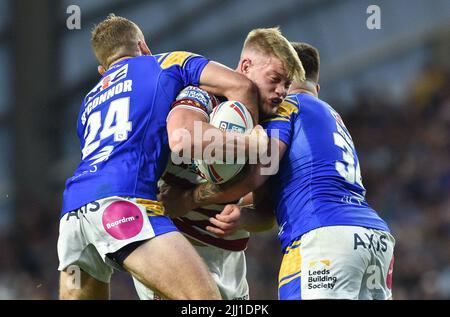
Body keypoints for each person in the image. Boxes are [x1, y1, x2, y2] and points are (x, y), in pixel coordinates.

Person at [57, 14, 265, 300]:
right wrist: (246, 148)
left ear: (102, 69)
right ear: (143, 47)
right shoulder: (167, 61)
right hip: (122, 203)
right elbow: (243, 86)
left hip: (72, 212)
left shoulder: (89, 102)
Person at [166, 42, 396, 300]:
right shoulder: (331, 116)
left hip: (322, 236)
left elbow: (257, 173)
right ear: (316, 88)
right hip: (374, 238)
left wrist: (190, 198)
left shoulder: (289, 106)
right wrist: (243, 216)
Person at [132, 27, 305, 300]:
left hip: (231, 262)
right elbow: (183, 138)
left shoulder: (275, 125)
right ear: (246, 66)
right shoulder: (203, 95)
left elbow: (266, 215)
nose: (282, 91)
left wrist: (243, 217)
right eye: (275, 79)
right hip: (177, 248)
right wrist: (250, 144)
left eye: (287, 84)